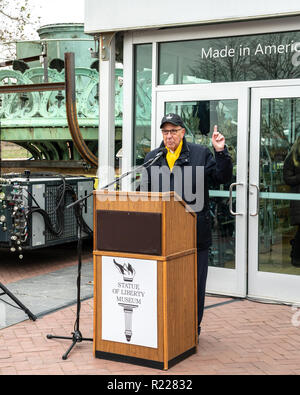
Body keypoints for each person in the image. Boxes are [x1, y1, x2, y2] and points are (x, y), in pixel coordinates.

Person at [141, 113, 233, 335]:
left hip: (194, 235)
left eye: (173, 131)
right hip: (162, 234)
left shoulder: (200, 154)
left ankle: (191, 329)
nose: (169, 135)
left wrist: (220, 152)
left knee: (192, 286)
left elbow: (222, 177)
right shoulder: (153, 157)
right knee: (165, 284)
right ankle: (164, 328)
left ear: (183, 132)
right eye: (165, 131)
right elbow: (144, 193)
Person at [283, 136, 300, 267]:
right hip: (298, 200)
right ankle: (295, 255)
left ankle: (295, 252)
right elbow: (288, 179)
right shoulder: (292, 158)